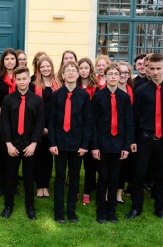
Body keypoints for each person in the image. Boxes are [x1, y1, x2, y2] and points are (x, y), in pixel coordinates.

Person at [126, 53, 163, 220]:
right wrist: (132, 140)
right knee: (139, 174)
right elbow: (133, 117)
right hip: (144, 139)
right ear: (147, 69)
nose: (156, 72)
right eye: (152, 69)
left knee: (162, 175)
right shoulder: (141, 90)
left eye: (159, 68)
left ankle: (160, 209)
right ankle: (136, 207)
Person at [49, 61, 91, 223]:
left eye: (74, 70)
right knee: (59, 177)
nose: (71, 72)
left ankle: (71, 211)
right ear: (63, 75)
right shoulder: (57, 95)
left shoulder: (84, 96)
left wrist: (84, 145)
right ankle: (59, 211)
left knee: (74, 177)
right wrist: (52, 143)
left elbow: (88, 122)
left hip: (77, 143)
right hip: (59, 143)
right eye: (68, 70)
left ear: (79, 74)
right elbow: (52, 121)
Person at [0, 66, 44, 220]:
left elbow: (39, 124)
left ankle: (30, 206)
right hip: (12, 144)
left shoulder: (37, 100)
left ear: (28, 80)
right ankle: (8, 204)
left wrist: (33, 144)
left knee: (29, 176)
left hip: (30, 145)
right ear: (15, 81)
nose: (22, 81)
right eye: (18, 79)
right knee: (10, 175)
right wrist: (8, 144)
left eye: (24, 78)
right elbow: (4, 123)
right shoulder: (8, 100)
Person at [91, 62, 133, 223]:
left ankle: (111, 211)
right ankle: (101, 211)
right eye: (111, 74)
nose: (114, 77)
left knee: (114, 179)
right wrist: (94, 146)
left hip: (118, 144)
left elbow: (128, 123)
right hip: (102, 144)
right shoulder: (98, 96)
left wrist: (126, 146)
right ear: (105, 76)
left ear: (120, 76)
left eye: (117, 74)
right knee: (103, 178)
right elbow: (93, 123)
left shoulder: (125, 97)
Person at [30, 56, 60, 198]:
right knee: (37, 157)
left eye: (48, 66)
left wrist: (51, 128)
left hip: (53, 127)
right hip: (37, 126)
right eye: (42, 67)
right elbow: (30, 108)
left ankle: (45, 186)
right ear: (38, 69)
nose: (45, 69)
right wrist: (40, 127)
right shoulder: (33, 84)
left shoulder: (58, 84)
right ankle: (38, 186)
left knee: (48, 158)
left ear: (52, 67)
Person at [0, 48, 18, 196]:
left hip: (20, 125)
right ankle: (2, 186)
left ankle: (14, 185)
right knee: (2, 156)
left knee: (15, 156)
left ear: (16, 60)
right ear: (3, 61)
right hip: (2, 123)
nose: (9, 61)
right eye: (7, 59)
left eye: (12, 59)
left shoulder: (20, 78)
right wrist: (8, 119)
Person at [77, 58, 99, 205]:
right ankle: (76, 191)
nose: (84, 70)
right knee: (76, 165)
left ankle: (87, 192)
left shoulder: (97, 89)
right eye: (81, 68)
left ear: (90, 69)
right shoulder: (74, 87)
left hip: (93, 129)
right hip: (78, 130)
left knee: (90, 166)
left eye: (86, 68)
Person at [116, 61, 134, 204]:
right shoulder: (110, 90)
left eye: (125, 73)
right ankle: (109, 190)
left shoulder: (133, 90)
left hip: (127, 131)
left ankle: (119, 192)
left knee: (124, 164)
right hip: (112, 132)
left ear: (129, 75)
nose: (122, 75)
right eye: (120, 72)